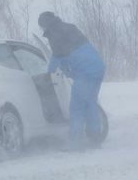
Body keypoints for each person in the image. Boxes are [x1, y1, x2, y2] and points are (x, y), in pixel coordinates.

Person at [38, 11, 106, 150]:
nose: (43, 30)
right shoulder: (69, 27)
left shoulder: (54, 33)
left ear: (45, 25)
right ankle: (95, 138)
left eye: (42, 27)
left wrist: (49, 72)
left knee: (77, 107)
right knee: (90, 102)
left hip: (85, 72)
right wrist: (68, 71)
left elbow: (57, 56)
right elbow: (70, 53)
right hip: (97, 67)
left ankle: (75, 143)